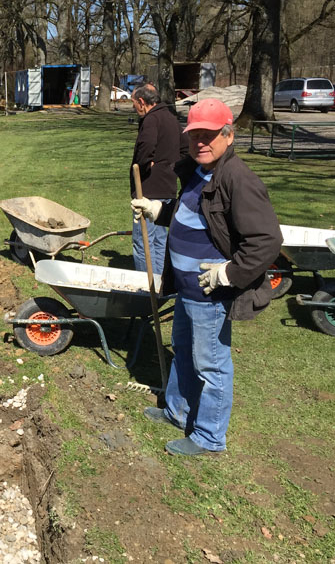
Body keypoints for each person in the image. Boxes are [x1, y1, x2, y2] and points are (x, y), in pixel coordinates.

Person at [131, 98, 282, 456]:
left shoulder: (238, 180)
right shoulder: (197, 171)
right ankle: (178, 411)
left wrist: (228, 272)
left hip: (209, 293)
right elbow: (192, 214)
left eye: (209, 135)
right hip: (186, 290)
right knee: (183, 351)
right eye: (195, 134)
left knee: (211, 365)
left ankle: (210, 437)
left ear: (228, 135)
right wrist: (158, 210)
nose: (200, 142)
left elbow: (267, 240)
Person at [129, 83, 187, 275]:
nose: (134, 108)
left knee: (143, 241)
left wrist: (145, 165)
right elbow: (186, 148)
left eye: (133, 103)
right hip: (167, 188)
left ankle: (148, 285)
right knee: (159, 240)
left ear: (141, 101)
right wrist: (172, 167)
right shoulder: (171, 118)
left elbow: (146, 146)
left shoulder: (151, 119)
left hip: (149, 189)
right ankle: (160, 281)